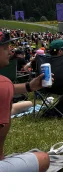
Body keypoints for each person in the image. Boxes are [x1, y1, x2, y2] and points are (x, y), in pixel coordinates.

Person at [0, 31, 50, 171]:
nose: (10, 51)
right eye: (5, 47)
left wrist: (29, 86)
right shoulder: (4, 85)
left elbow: (8, 87)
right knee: (43, 158)